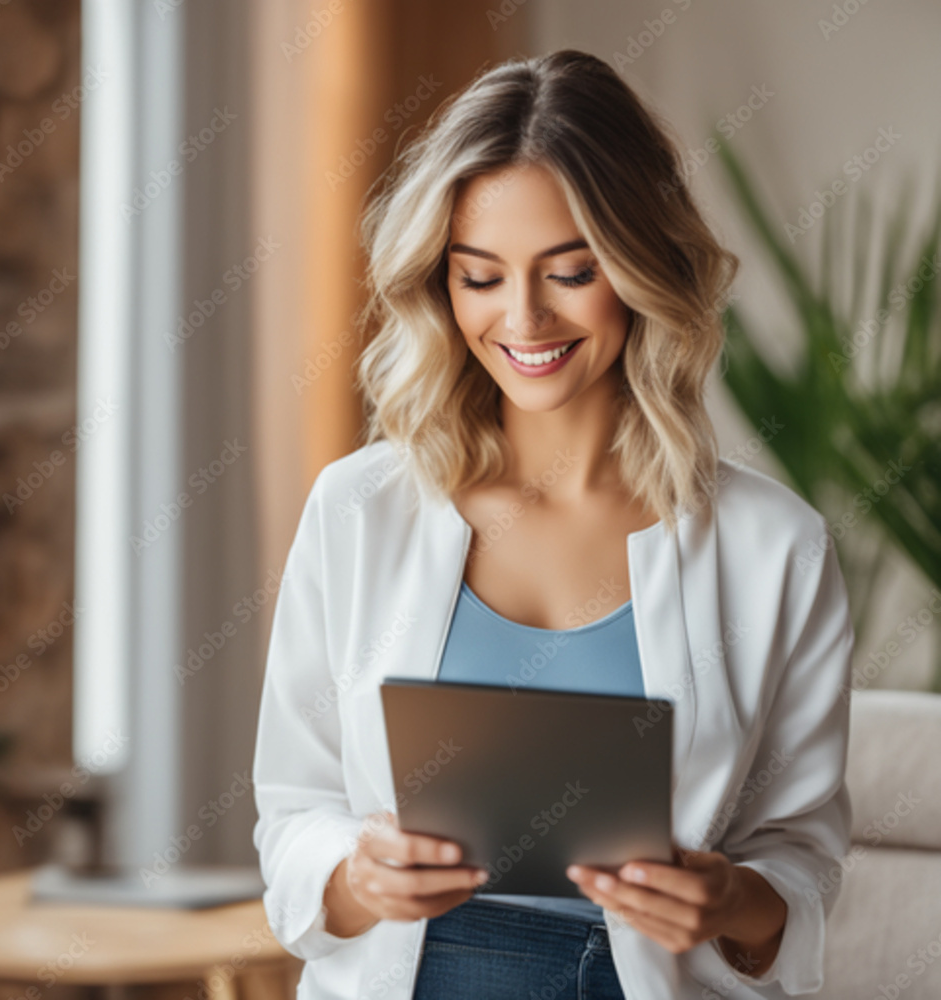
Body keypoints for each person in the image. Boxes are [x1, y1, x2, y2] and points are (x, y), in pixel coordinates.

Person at [252, 49, 854, 1000]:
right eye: (479, 275)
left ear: (642, 267)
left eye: (571, 271)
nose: (523, 318)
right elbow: (294, 809)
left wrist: (730, 899)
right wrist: (356, 876)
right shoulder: (359, 509)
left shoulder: (774, 547)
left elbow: (802, 863)